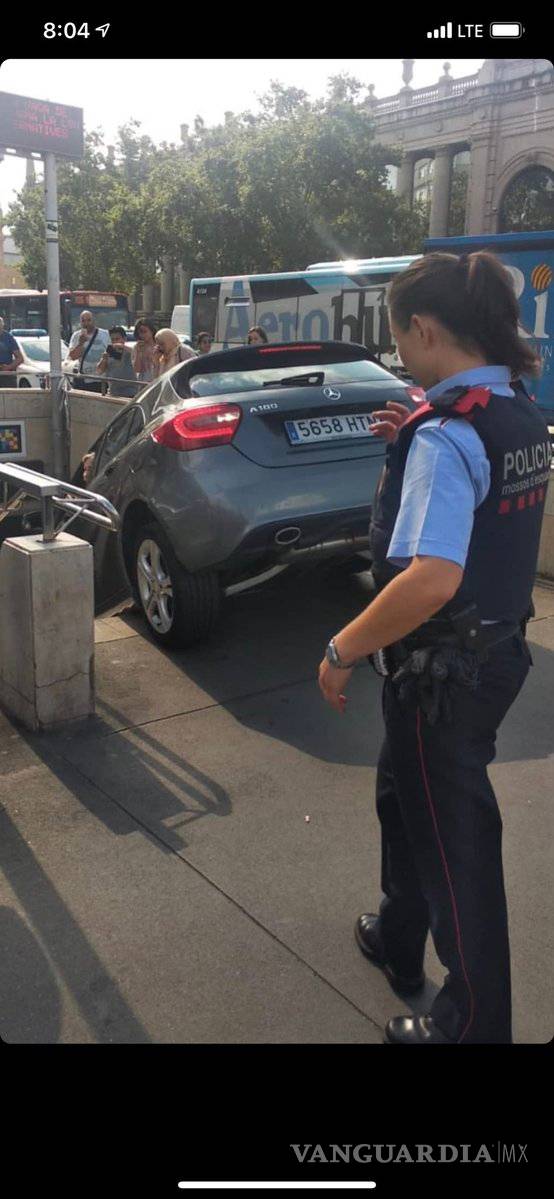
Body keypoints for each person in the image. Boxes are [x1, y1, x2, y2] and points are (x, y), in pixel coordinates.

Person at [318, 251, 551, 1045]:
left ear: (423, 329)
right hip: (496, 655)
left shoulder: (449, 436)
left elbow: (431, 578)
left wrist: (342, 648)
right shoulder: (515, 406)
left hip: (440, 675)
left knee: (458, 847)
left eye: (399, 340)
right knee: (402, 796)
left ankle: (472, 1022)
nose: (399, 356)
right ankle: (396, 933)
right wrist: (412, 430)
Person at [68, 310, 110, 390]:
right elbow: (73, 356)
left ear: (93, 320)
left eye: (89, 320)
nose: (86, 323)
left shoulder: (105, 334)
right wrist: (81, 343)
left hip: (101, 380)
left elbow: (112, 354)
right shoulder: (76, 336)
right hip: (84, 380)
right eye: (83, 321)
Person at [96, 325, 137, 398]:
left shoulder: (129, 351)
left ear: (124, 339)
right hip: (113, 393)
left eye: (117, 339)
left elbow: (137, 354)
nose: (115, 342)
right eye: (113, 339)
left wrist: (122, 347)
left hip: (131, 393)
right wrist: (104, 359)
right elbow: (99, 371)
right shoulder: (109, 352)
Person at [132, 318, 158, 383]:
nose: (142, 335)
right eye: (140, 333)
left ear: (152, 331)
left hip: (157, 380)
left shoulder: (159, 345)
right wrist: (138, 352)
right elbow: (137, 369)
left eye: (145, 332)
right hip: (144, 382)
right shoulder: (137, 347)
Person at [0, 317, 24, 386]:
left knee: (9, 396)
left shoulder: (8, 338)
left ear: (3, 325)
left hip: (6, 376)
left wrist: (8, 367)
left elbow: (20, 358)